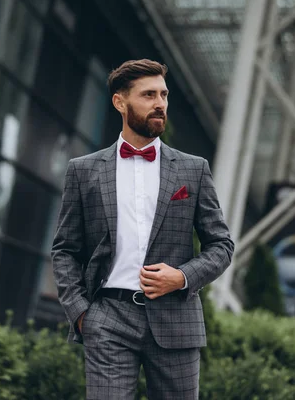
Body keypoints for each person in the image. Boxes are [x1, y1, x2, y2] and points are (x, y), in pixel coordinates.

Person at [52, 58, 234, 400]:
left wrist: (181, 277)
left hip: (176, 318)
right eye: (149, 95)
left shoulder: (193, 170)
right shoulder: (84, 171)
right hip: (107, 318)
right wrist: (80, 313)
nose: (160, 104)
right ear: (120, 102)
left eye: (163, 95)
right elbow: (65, 249)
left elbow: (221, 245)